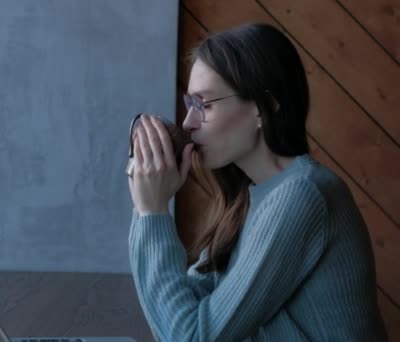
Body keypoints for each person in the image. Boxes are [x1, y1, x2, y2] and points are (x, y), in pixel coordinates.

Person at [126, 23, 388, 341]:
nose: (187, 123)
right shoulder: (250, 200)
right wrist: (146, 208)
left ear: (265, 107)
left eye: (204, 105)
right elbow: (179, 313)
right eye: (189, 104)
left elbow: (191, 337)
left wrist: (153, 211)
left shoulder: (302, 196)